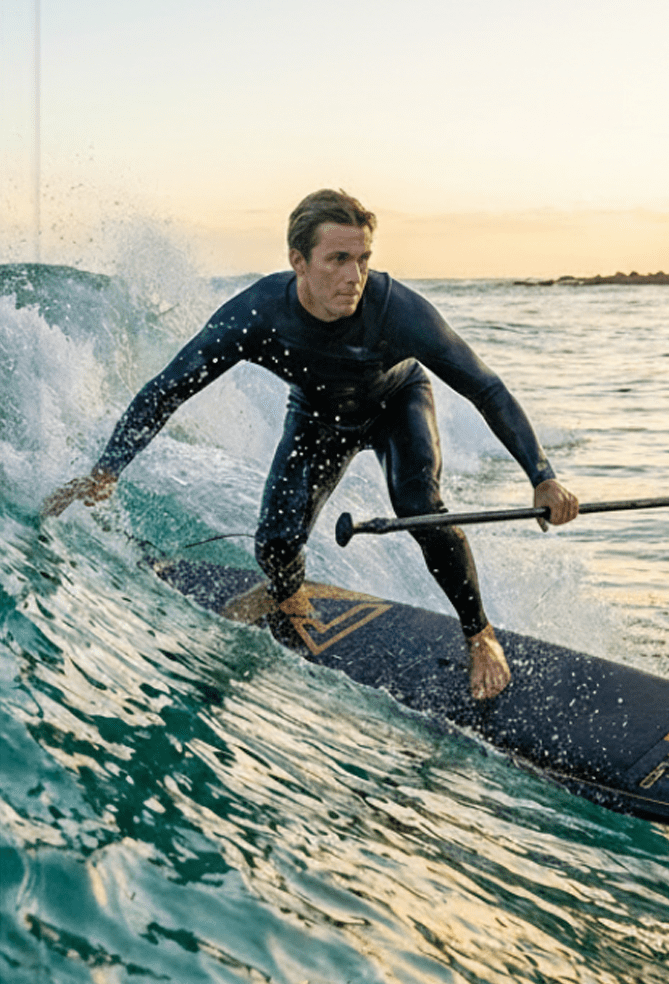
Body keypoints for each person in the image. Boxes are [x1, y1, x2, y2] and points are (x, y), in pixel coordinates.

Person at [42, 189, 579, 699]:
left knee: (418, 505)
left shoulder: (396, 310)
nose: (355, 277)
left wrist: (542, 474)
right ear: (298, 261)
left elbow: (485, 386)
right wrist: (107, 470)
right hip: (318, 417)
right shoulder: (257, 315)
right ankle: (285, 589)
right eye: (338, 259)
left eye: (363, 258)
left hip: (396, 404)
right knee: (274, 546)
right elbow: (169, 387)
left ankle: (479, 633)